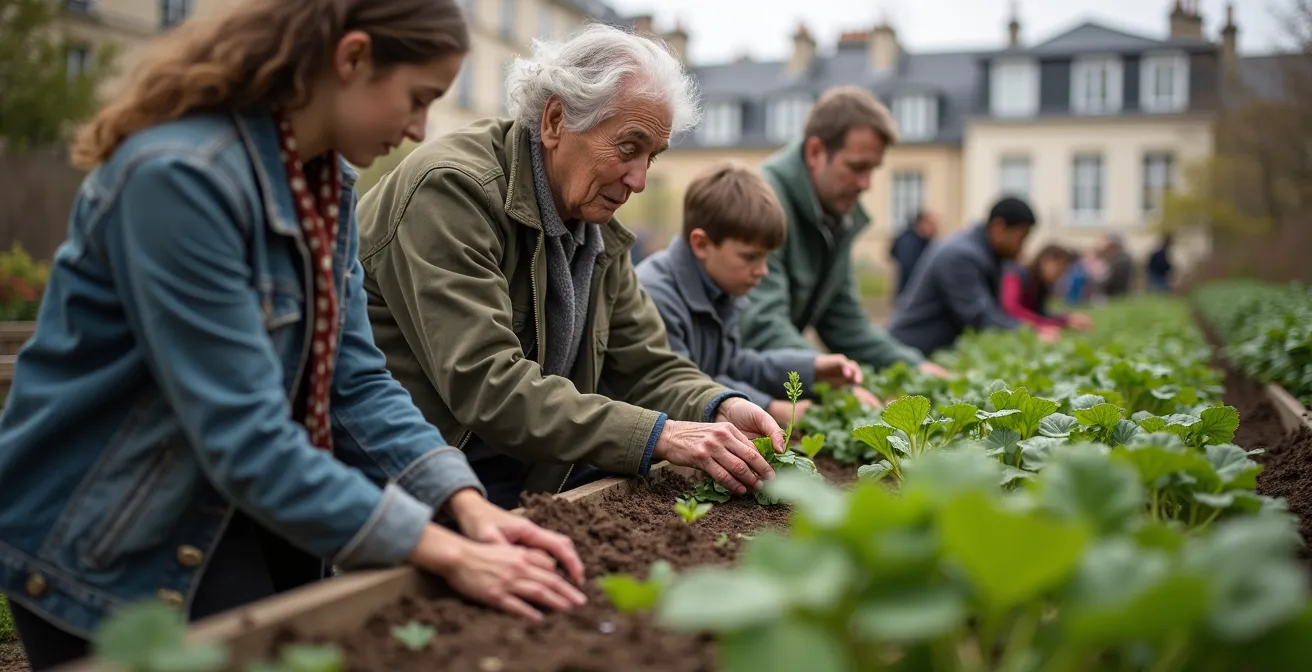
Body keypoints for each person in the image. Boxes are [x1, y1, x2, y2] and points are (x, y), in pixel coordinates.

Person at [0, 1, 590, 668]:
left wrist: (464, 505)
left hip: (234, 506)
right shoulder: (180, 178)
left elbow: (353, 378)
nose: (420, 130)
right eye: (417, 98)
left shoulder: (323, 182)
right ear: (353, 58)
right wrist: (443, 549)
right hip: (107, 532)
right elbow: (244, 436)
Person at [354, 25, 785, 511]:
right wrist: (661, 434)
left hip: (514, 464)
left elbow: (644, 365)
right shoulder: (454, 190)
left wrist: (718, 406)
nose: (639, 180)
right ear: (556, 121)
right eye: (628, 147)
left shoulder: (594, 231)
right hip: (414, 473)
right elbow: (488, 384)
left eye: (652, 156)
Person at [635, 162, 879, 430]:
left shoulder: (719, 287)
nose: (762, 271)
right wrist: (770, 407)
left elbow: (735, 365)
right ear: (701, 244)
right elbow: (677, 387)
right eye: (750, 257)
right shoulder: (656, 297)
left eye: (766, 257)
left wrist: (812, 369)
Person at [741, 86, 949, 378]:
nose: (866, 184)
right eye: (856, 167)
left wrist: (916, 368)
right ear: (815, 152)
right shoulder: (761, 202)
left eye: (872, 169)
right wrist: (835, 377)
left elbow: (846, 324)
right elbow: (762, 328)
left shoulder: (836, 215)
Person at [887, 197, 1037, 356]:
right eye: (1022, 237)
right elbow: (979, 317)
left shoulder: (984, 253)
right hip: (909, 351)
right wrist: (1031, 331)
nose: (1022, 245)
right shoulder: (961, 255)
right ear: (999, 228)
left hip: (928, 353)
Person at [1000, 244, 1095, 342]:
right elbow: (1011, 309)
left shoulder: (1040, 285)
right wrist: (1041, 326)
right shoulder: (1016, 274)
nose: (1061, 275)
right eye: (1061, 267)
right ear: (1048, 261)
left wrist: (1066, 320)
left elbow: (1039, 313)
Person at [889, 211, 940, 297]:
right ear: (921, 224)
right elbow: (911, 268)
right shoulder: (908, 242)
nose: (935, 228)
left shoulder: (926, 241)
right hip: (909, 295)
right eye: (931, 224)